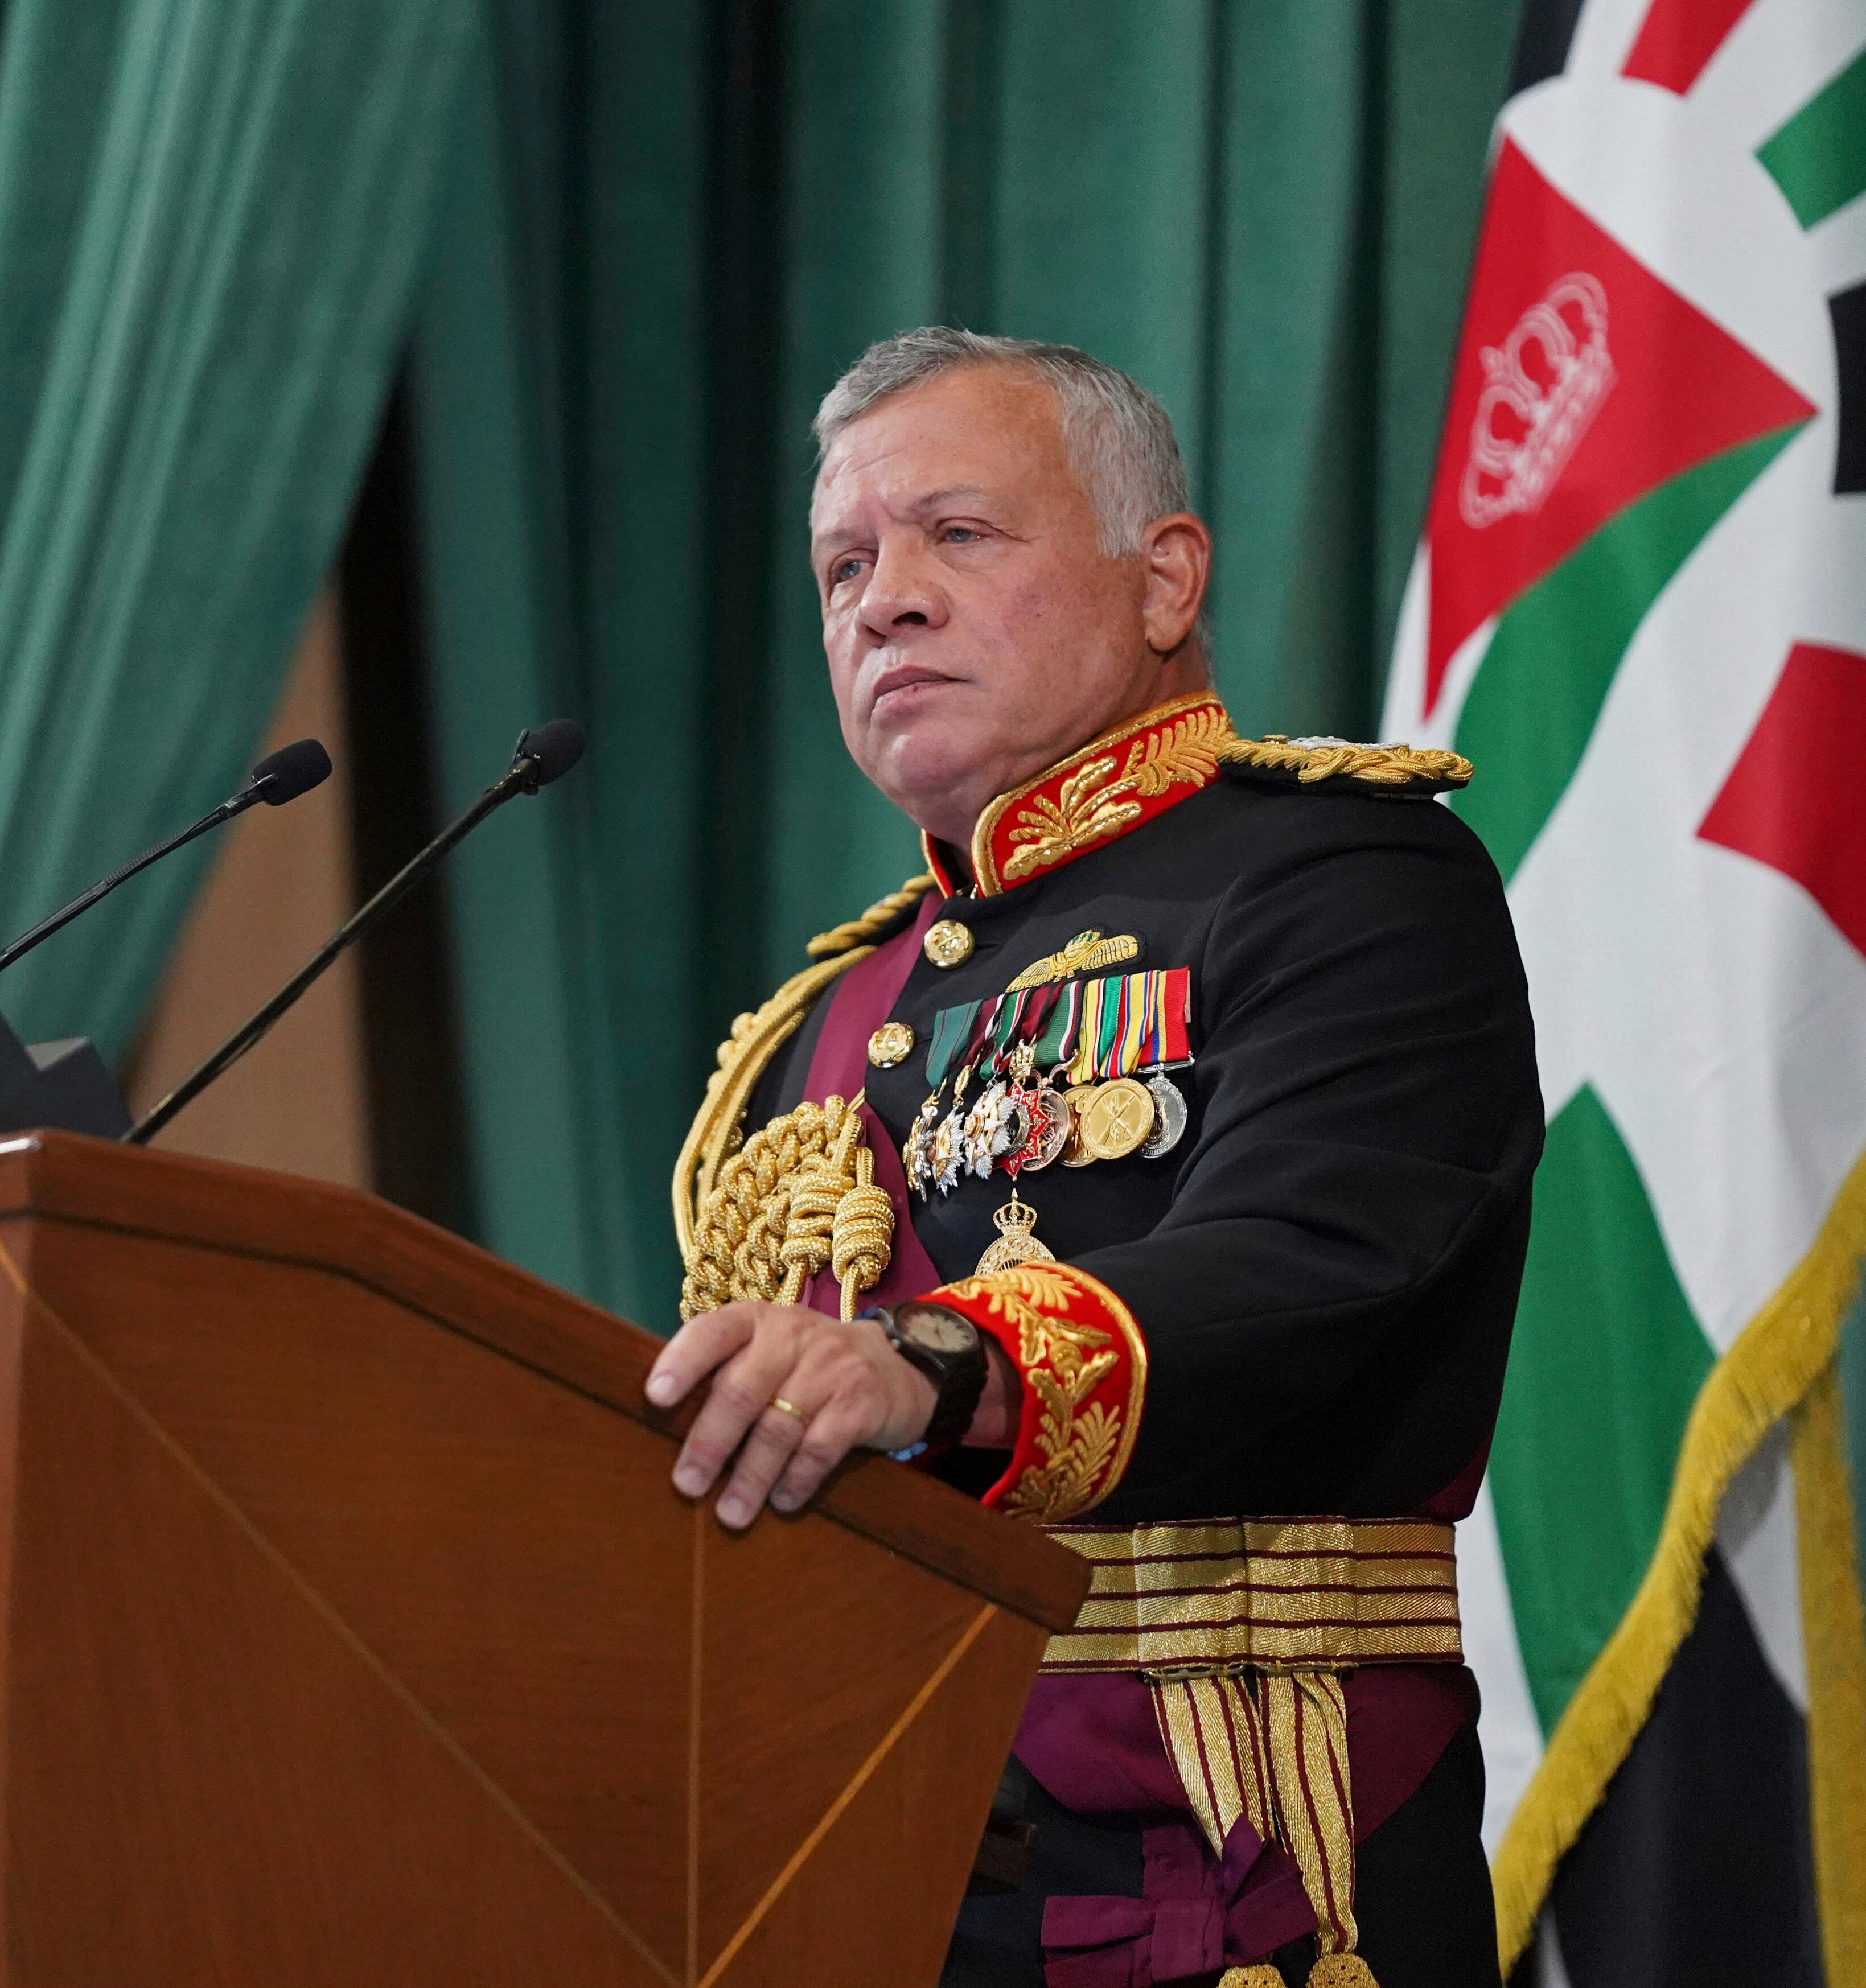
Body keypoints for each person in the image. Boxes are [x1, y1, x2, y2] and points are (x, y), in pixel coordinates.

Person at [647, 328, 1542, 1988]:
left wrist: (936, 1365)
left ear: (1165, 579)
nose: (883, 600)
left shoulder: (1343, 880)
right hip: (860, 1872)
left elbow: (1303, 1262)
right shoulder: (812, 1026)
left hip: (1234, 1863)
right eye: (845, 562)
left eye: (957, 536)